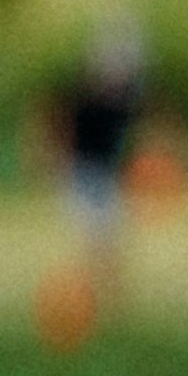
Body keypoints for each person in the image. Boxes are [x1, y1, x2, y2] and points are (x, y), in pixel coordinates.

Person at [48, 17, 156, 298]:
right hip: (84, 172)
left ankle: (109, 293)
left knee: (111, 238)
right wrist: (58, 163)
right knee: (95, 237)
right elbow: (63, 129)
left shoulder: (128, 100)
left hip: (108, 175)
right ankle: (92, 292)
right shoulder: (85, 98)